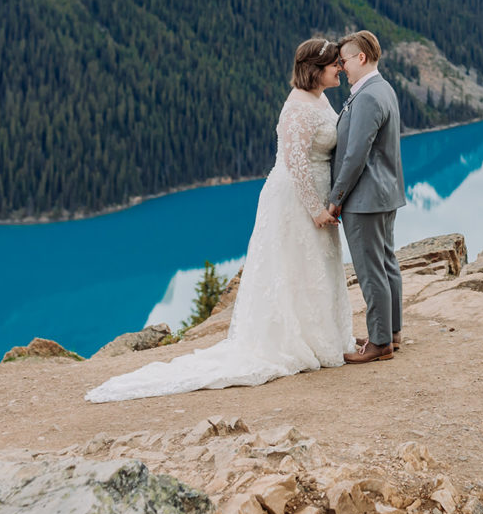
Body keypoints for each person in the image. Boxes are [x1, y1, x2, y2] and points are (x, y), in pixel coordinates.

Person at [84, 38, 354, 402]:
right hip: (295, 201)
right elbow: (296, 164)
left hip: (316, 196)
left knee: (315, 266)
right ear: (315, 70)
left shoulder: (320, 98)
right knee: (295, 266)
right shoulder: (298, 107)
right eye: (334, 64)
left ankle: (325, 337)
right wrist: (316, 209)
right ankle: (300, 341)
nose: (340, 68)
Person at [329, 29, 406, 364]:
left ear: (360, 58)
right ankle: (391, 333)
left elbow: (355, 154)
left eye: (344, 60)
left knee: (370, 269)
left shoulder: (369, 96)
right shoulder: (381, 88)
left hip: (365, 199)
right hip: (385, 194)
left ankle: (379, 343)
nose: (341, 66)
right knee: (387, 264)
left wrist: (336, 197)